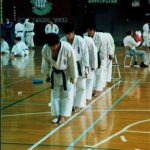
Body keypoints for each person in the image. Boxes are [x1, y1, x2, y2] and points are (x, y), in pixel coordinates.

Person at [41, 33, 78, 124]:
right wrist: (47, 75)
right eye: (51, 46)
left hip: (67, 74)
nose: (53, 48)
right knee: (55, 95)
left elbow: (72, 64)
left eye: (54, 45)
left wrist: (74, 77)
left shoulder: (67, 48)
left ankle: (63, 117)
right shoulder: (46, 48)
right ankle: (57, 116)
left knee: (66, 96)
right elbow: (45, 62)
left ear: (58, 42)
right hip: (54, 73)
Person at [61, 23, 89, 112]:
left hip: (79, 64)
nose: (67, 36)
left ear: (73, 32)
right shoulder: (62, 40)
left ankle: (78, 105)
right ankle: (70, 105)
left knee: (81, 86)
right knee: (69, 87)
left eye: (69, 34)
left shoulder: (80, 40)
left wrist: (86, 67)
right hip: (67, 66)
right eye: (66, 34)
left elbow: (85, 54)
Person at [85, 24, 108, 96]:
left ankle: (97, 90)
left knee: (98, 74)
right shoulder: (85, 36)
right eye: (87, 30)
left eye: (90, 31)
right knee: (91, 74)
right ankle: (92, 89)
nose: (88, 32)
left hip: (100, 56)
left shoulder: (99, 37)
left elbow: (98, 49)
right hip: (90, 57)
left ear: (93, 31)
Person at [83, 35, 97, 101]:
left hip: (88, 62)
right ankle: (86, 96)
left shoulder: (88, 40)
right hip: (83, 63)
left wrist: (93, 65)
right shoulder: (88, 40)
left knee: (89, 80)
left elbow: (93, 53)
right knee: (87, 80)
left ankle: (87, 96)